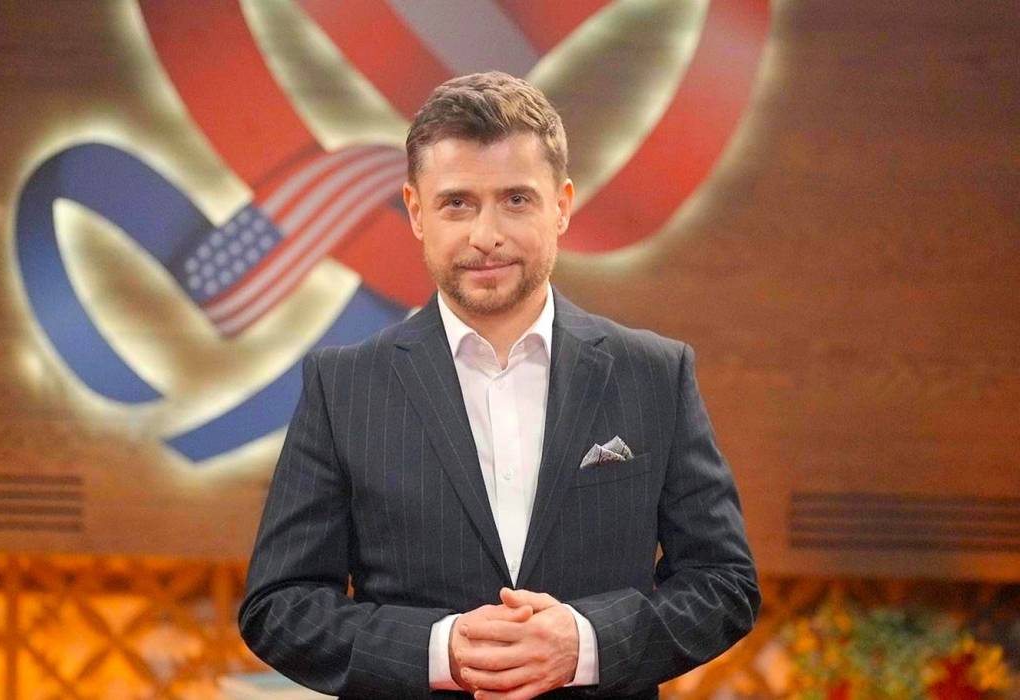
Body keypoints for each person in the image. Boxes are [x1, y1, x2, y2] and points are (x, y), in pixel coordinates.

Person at [239, 71, 759, 700]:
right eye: (457, 203)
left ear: (561, 206)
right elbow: (280, 606)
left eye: (516, 200)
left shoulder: (653, 374)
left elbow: (723, 583)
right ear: (416, 212)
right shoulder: (343, 385)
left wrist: (585, 643)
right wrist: (441, 651)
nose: (486, 235)